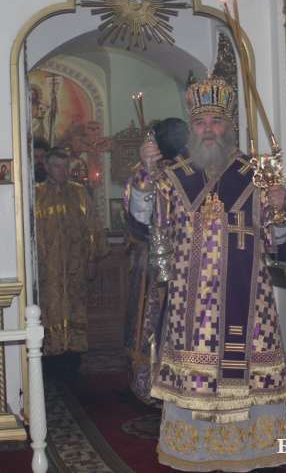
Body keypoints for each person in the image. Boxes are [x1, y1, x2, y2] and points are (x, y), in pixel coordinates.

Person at [127, 77, 286, 471]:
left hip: (249, 302)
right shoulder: (173, 176)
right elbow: (144, 223)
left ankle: (252, 452)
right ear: (191, 128)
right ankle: (196, 452)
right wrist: (145, 175)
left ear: (228, 127)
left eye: (215, 122)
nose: (208, 129)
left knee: (249, 372)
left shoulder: (255, 174)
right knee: (197, 374)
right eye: (200, 122)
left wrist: (278, 207)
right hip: (191, 303)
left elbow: (279, 245)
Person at [124, 117, 189, 406]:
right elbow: (139, 221)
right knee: (154, 324)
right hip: (155, 268)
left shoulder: (196, 172)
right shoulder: (149, 173)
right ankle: (154, 383)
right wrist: (148, 170)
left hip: (192, 265)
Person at [36, 148, 110, 380]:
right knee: (50, 312)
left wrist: (92, 260)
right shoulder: (36, 194)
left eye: (65, 167)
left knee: (76, 310)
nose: (62, 171)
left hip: (76, 268)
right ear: (47, 167)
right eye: (57, 166)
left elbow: (93, 226)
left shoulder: (79, 192)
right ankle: (50, 363)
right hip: (47, 270)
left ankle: (73, 363)